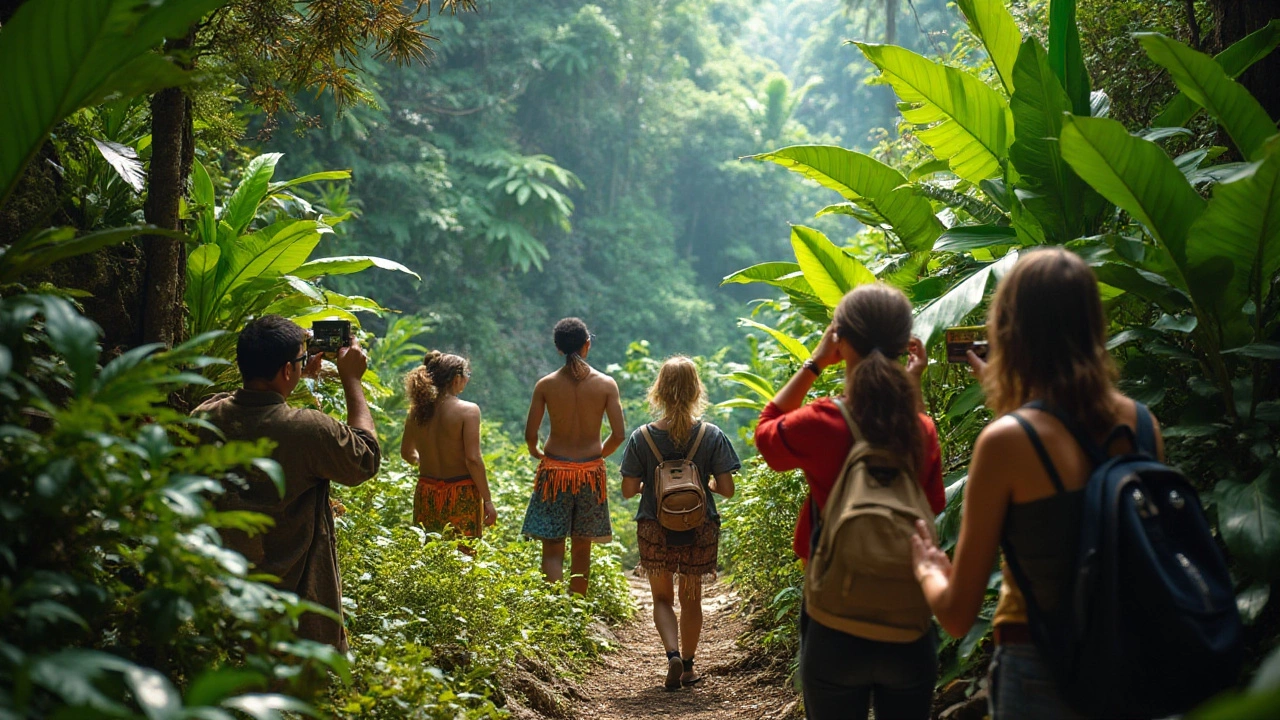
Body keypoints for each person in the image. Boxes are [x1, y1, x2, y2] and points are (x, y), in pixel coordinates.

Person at [908, 248, 1168, 720]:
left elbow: (957, 613)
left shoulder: (1008, 442)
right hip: (1136, 656)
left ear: (1009, 330)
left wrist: (927, 567)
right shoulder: (1143, 426)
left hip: (1042, 665)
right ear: (1093, 324)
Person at [755, 284, 945, 720]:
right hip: (908, 626)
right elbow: (927, 506)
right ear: (904, 344)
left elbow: (767, 434)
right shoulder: (921, 429)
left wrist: (816, 362)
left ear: (840, 340)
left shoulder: (823, 421)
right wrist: (911, 391)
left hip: (834, 623)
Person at [195, 315, 381, 652]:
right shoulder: (308, 431)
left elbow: (257, 411)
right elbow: (365, 457)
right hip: (295, 602)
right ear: (285, 370)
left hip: (223, 590)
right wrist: (351, 380)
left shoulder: (205, 417)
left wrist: (292, 374)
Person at [620, 356, 741, 690]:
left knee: (661, 599)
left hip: (654, 526)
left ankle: (671, 653)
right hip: (699, 527)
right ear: (695, 390)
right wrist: (705, 485)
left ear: (658, 391)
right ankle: (687, 666)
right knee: (692, 598)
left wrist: (655, 485)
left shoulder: (641, 437)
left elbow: (629, 491)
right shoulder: (711, 435)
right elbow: (727, 490)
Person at [521, 317, 626, 595]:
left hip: (554, 472)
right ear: (586, 345)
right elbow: (618, 434)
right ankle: (577, 612)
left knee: (553, 548)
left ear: (558, 349)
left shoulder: (545, 385)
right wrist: (596, 456)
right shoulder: (606, 385)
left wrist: (537, 452)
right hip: (590, 474)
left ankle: (554, 612)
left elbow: (531, 434)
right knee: (582, 547)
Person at [401, 351, 496, 539]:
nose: (467, 380)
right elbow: (473, 459)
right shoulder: (468, 411)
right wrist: (488, 500)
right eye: (467, 375)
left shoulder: (417, 411)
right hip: (460, 492)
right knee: (463, 555)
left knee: (430, 553)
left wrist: (425, 461)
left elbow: (406, 452)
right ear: (456, 378)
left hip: (426, 491)